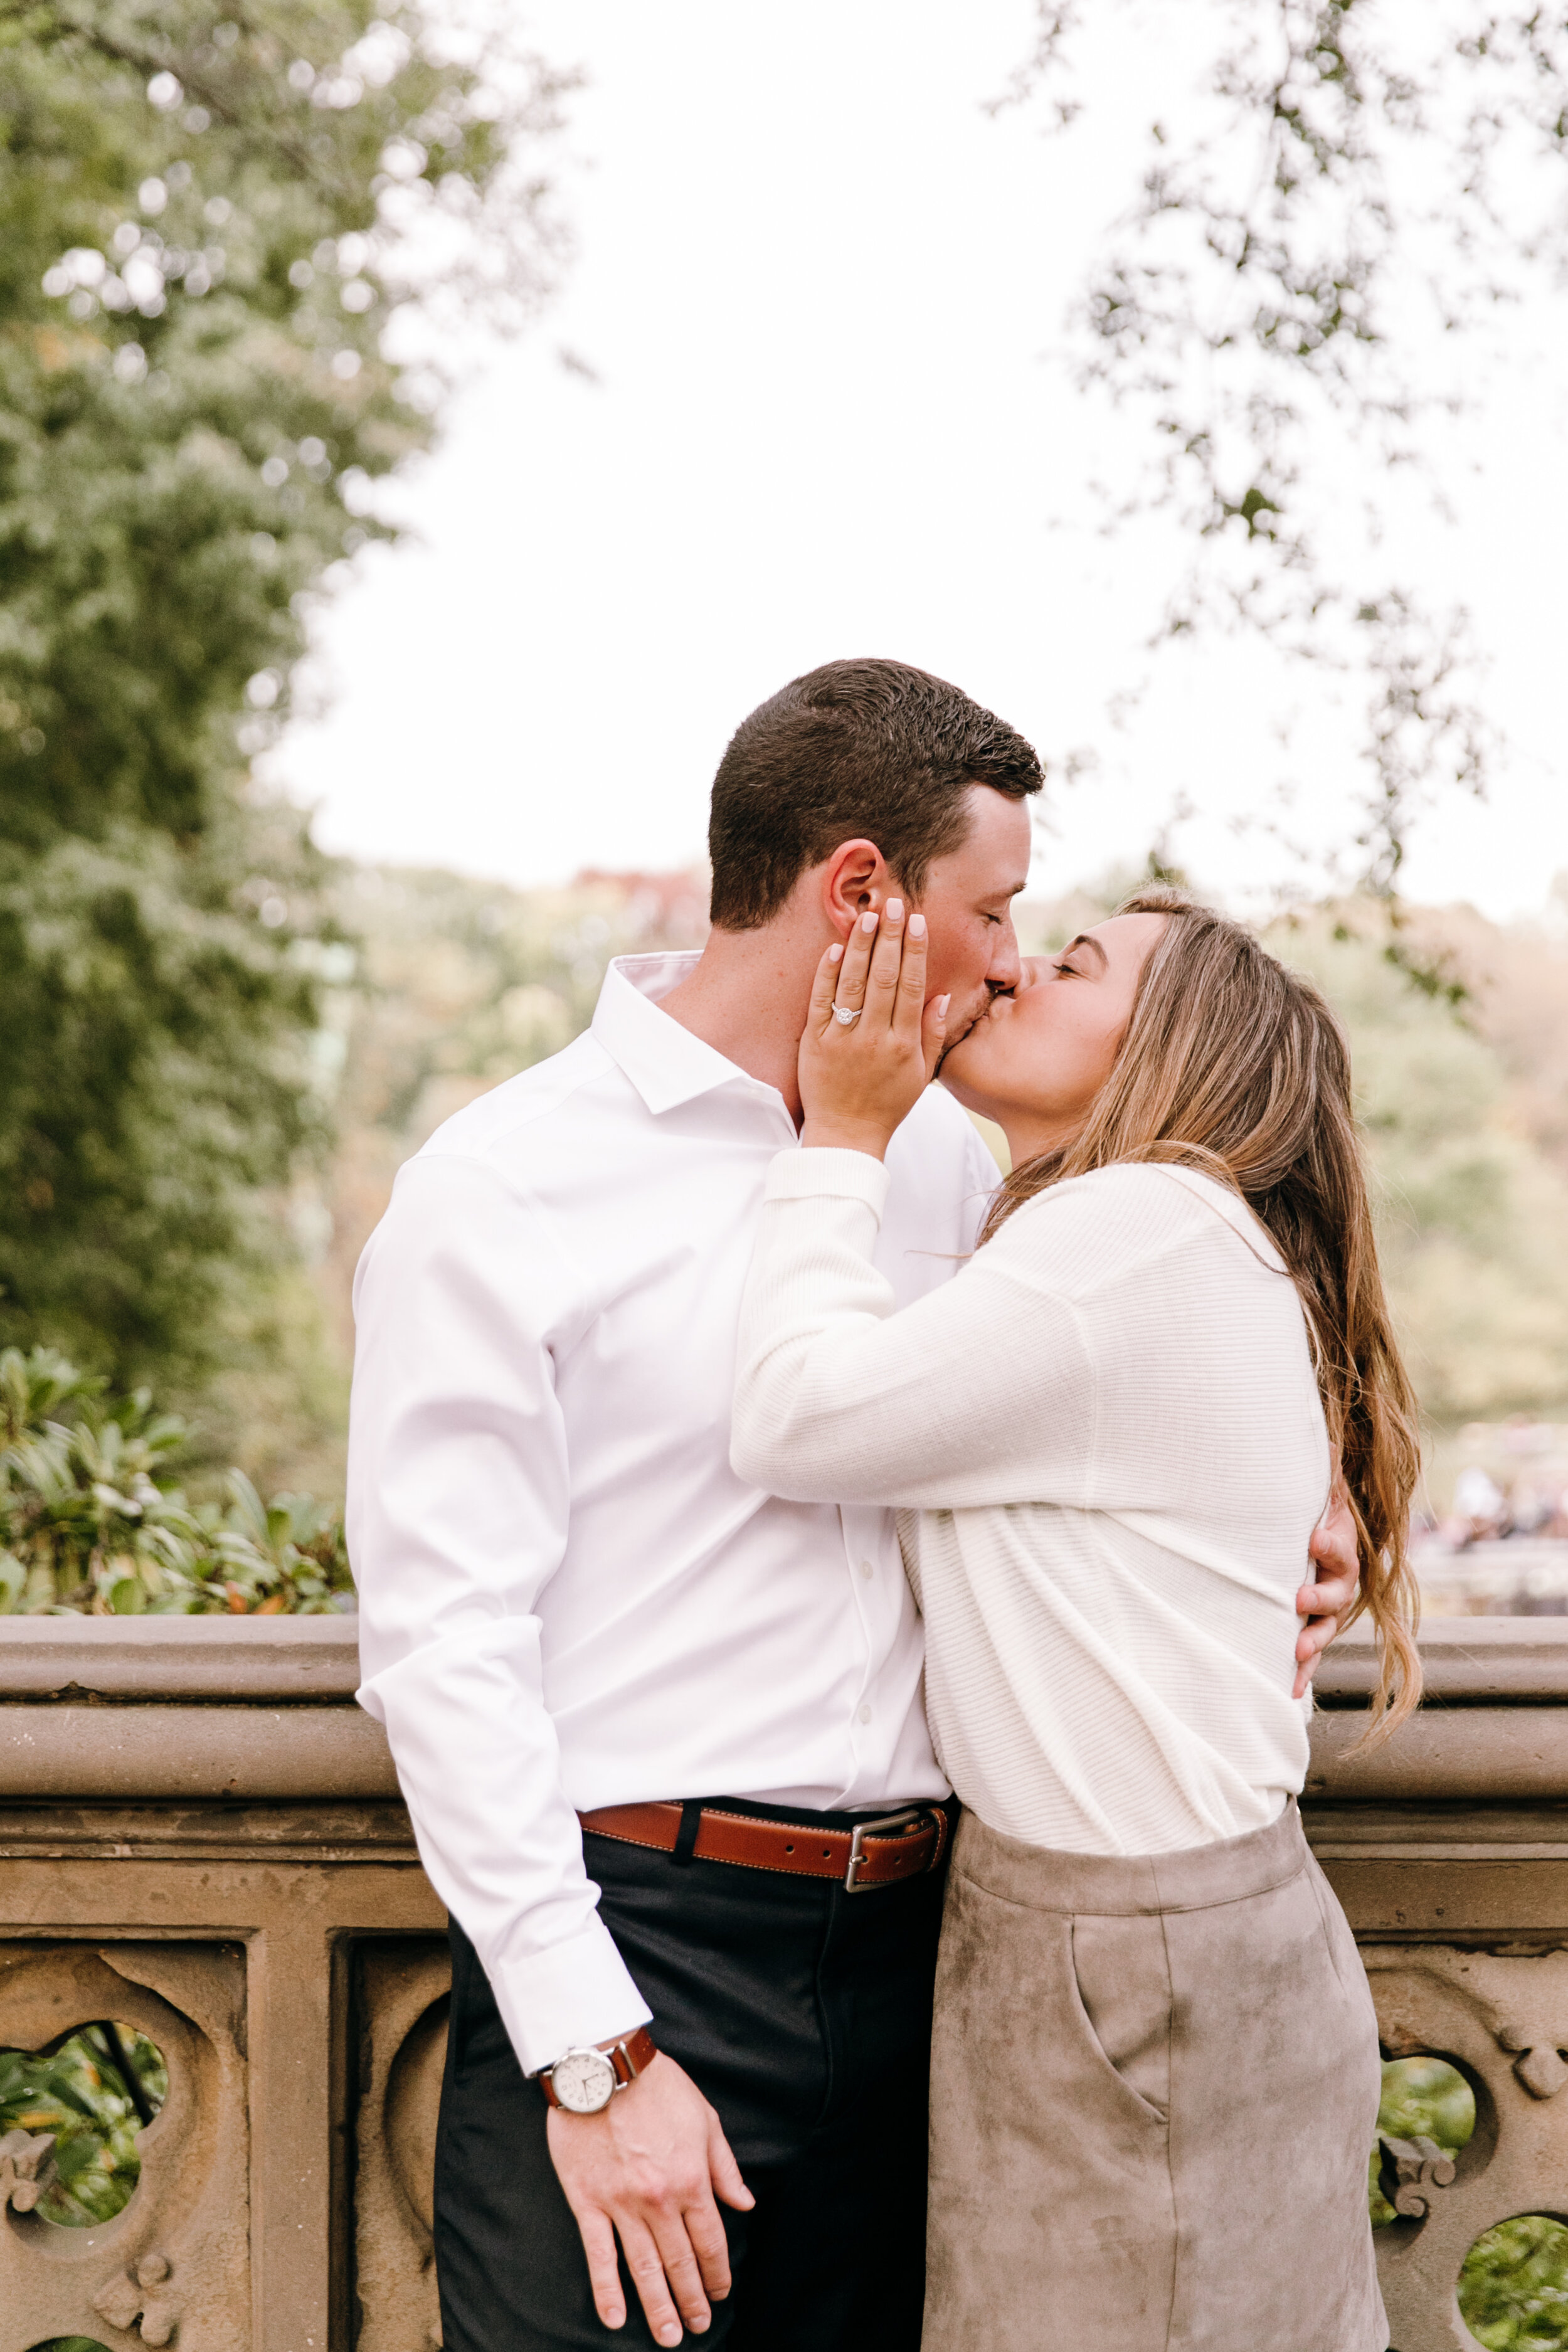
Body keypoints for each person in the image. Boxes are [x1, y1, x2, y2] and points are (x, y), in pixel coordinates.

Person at [346, 658, 1359, 2352]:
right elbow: (444, 1645)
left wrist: (1300, 1482)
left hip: (946, 1971)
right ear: (862, 893)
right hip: (649, 1949)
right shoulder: (503, 1183)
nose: (1012, 956)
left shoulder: (959, 1159)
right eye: (996, 906)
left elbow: (1127, 1359)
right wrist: (594, 2051)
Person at [730, 887, 1422, 2352]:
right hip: (1118, 1941)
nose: (1021, 965)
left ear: (1172, 1043)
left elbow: (792, 1420)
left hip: (1128, 1965)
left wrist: (841, 1139)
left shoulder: (1134, 1225)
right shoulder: (1159, 1236)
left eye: (1079, 962)